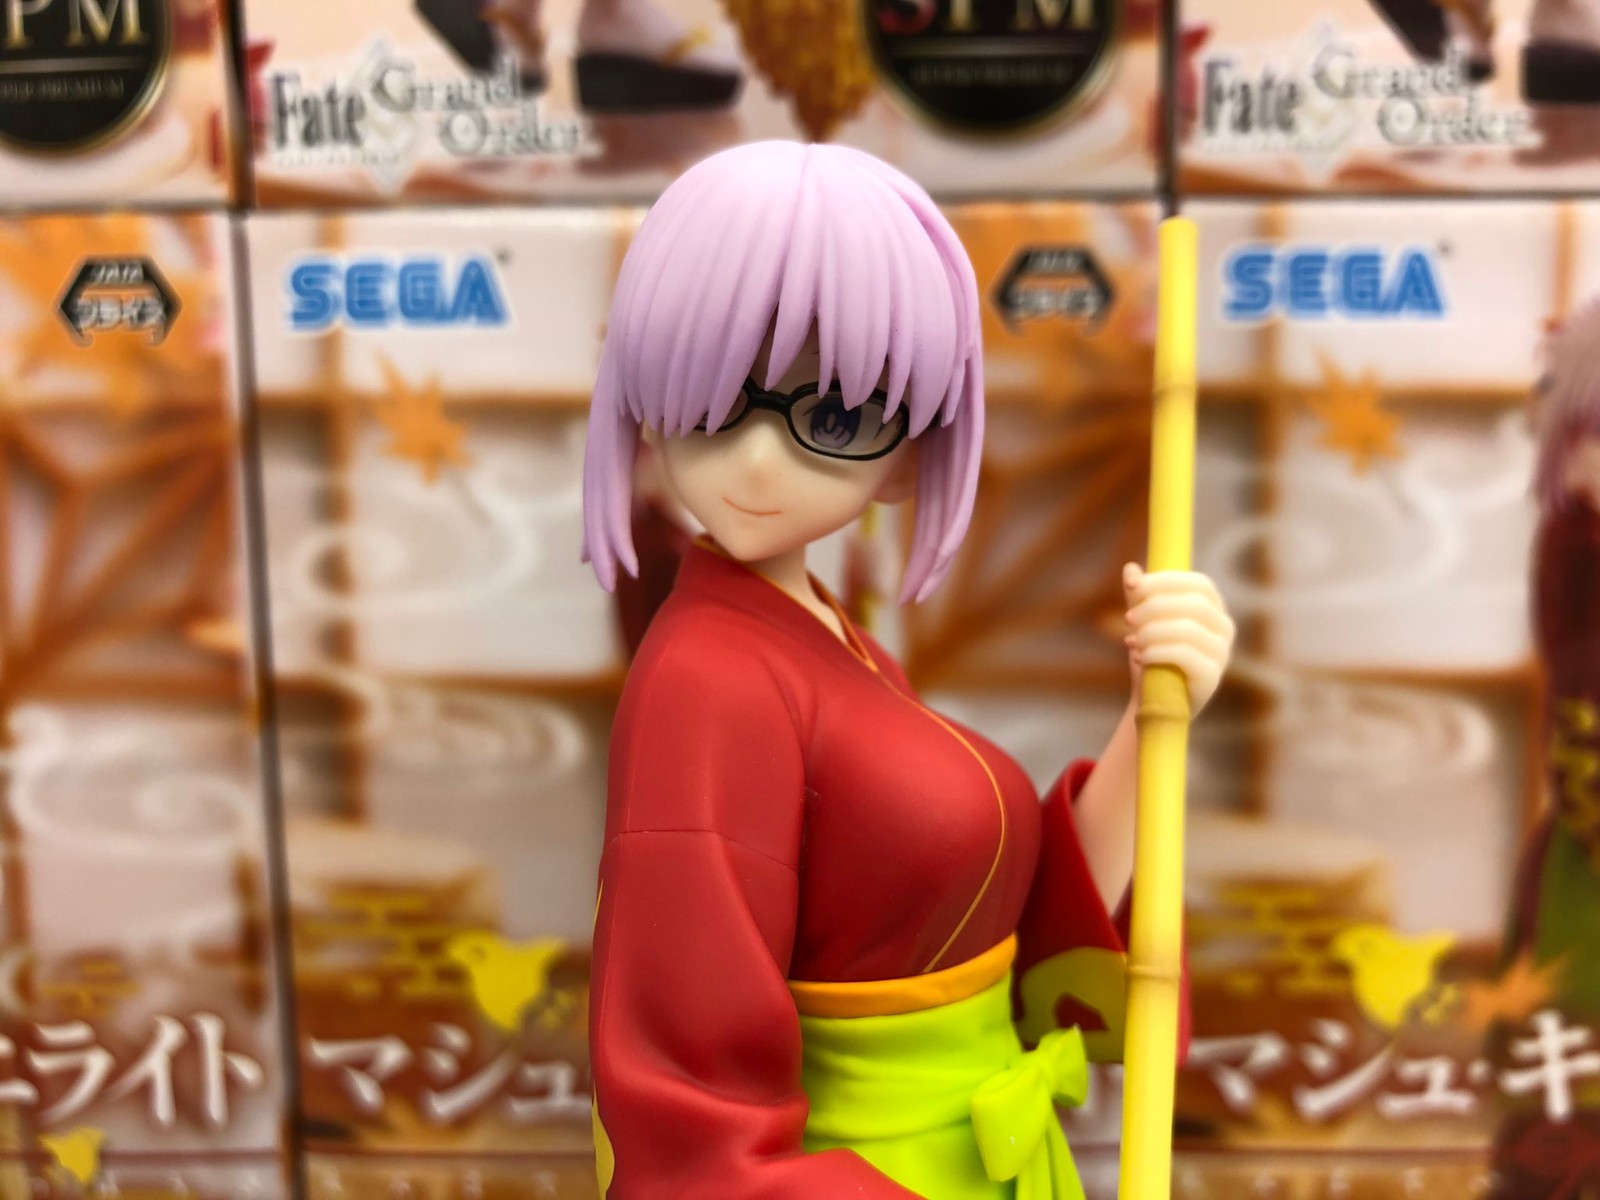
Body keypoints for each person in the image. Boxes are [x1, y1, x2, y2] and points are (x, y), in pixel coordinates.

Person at [580, 140, 1234, 1199]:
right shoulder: (707, 680)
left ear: (908, 455)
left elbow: (996, 920)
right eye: (711, 396)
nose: (758, 459)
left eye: (834, 418)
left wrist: (1154, 713)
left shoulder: (820, 636)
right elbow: (692, 1107)